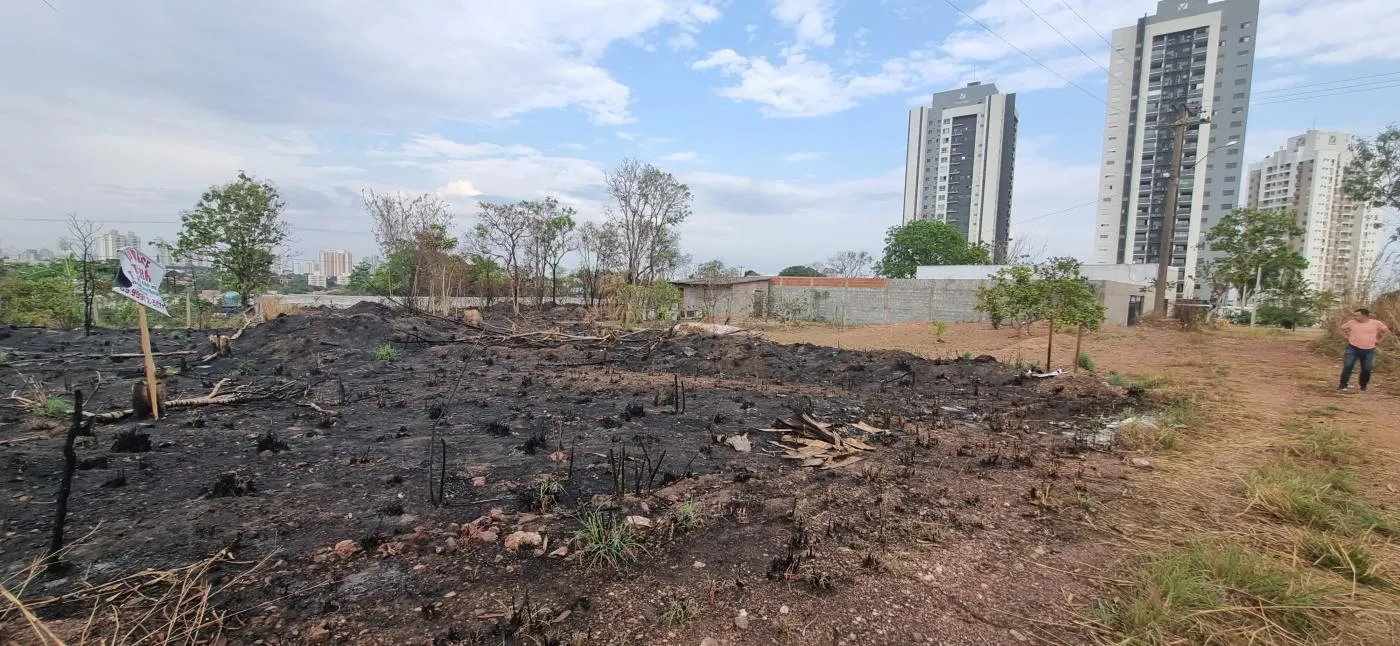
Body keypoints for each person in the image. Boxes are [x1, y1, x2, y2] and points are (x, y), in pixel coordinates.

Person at [1339, 308, 1389, 392]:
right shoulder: (1351, 322)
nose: (1354, 317)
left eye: (1356, 315)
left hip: (1369, 349)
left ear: (1364, 315)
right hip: (1352, 348)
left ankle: (1363, 384)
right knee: (1348, 366)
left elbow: (1386, 332)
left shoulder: (1376, 323)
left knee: (1367, 368)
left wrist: (1380, 341)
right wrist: (1346, 337)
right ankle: (1343, 385)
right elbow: (1341, 329)